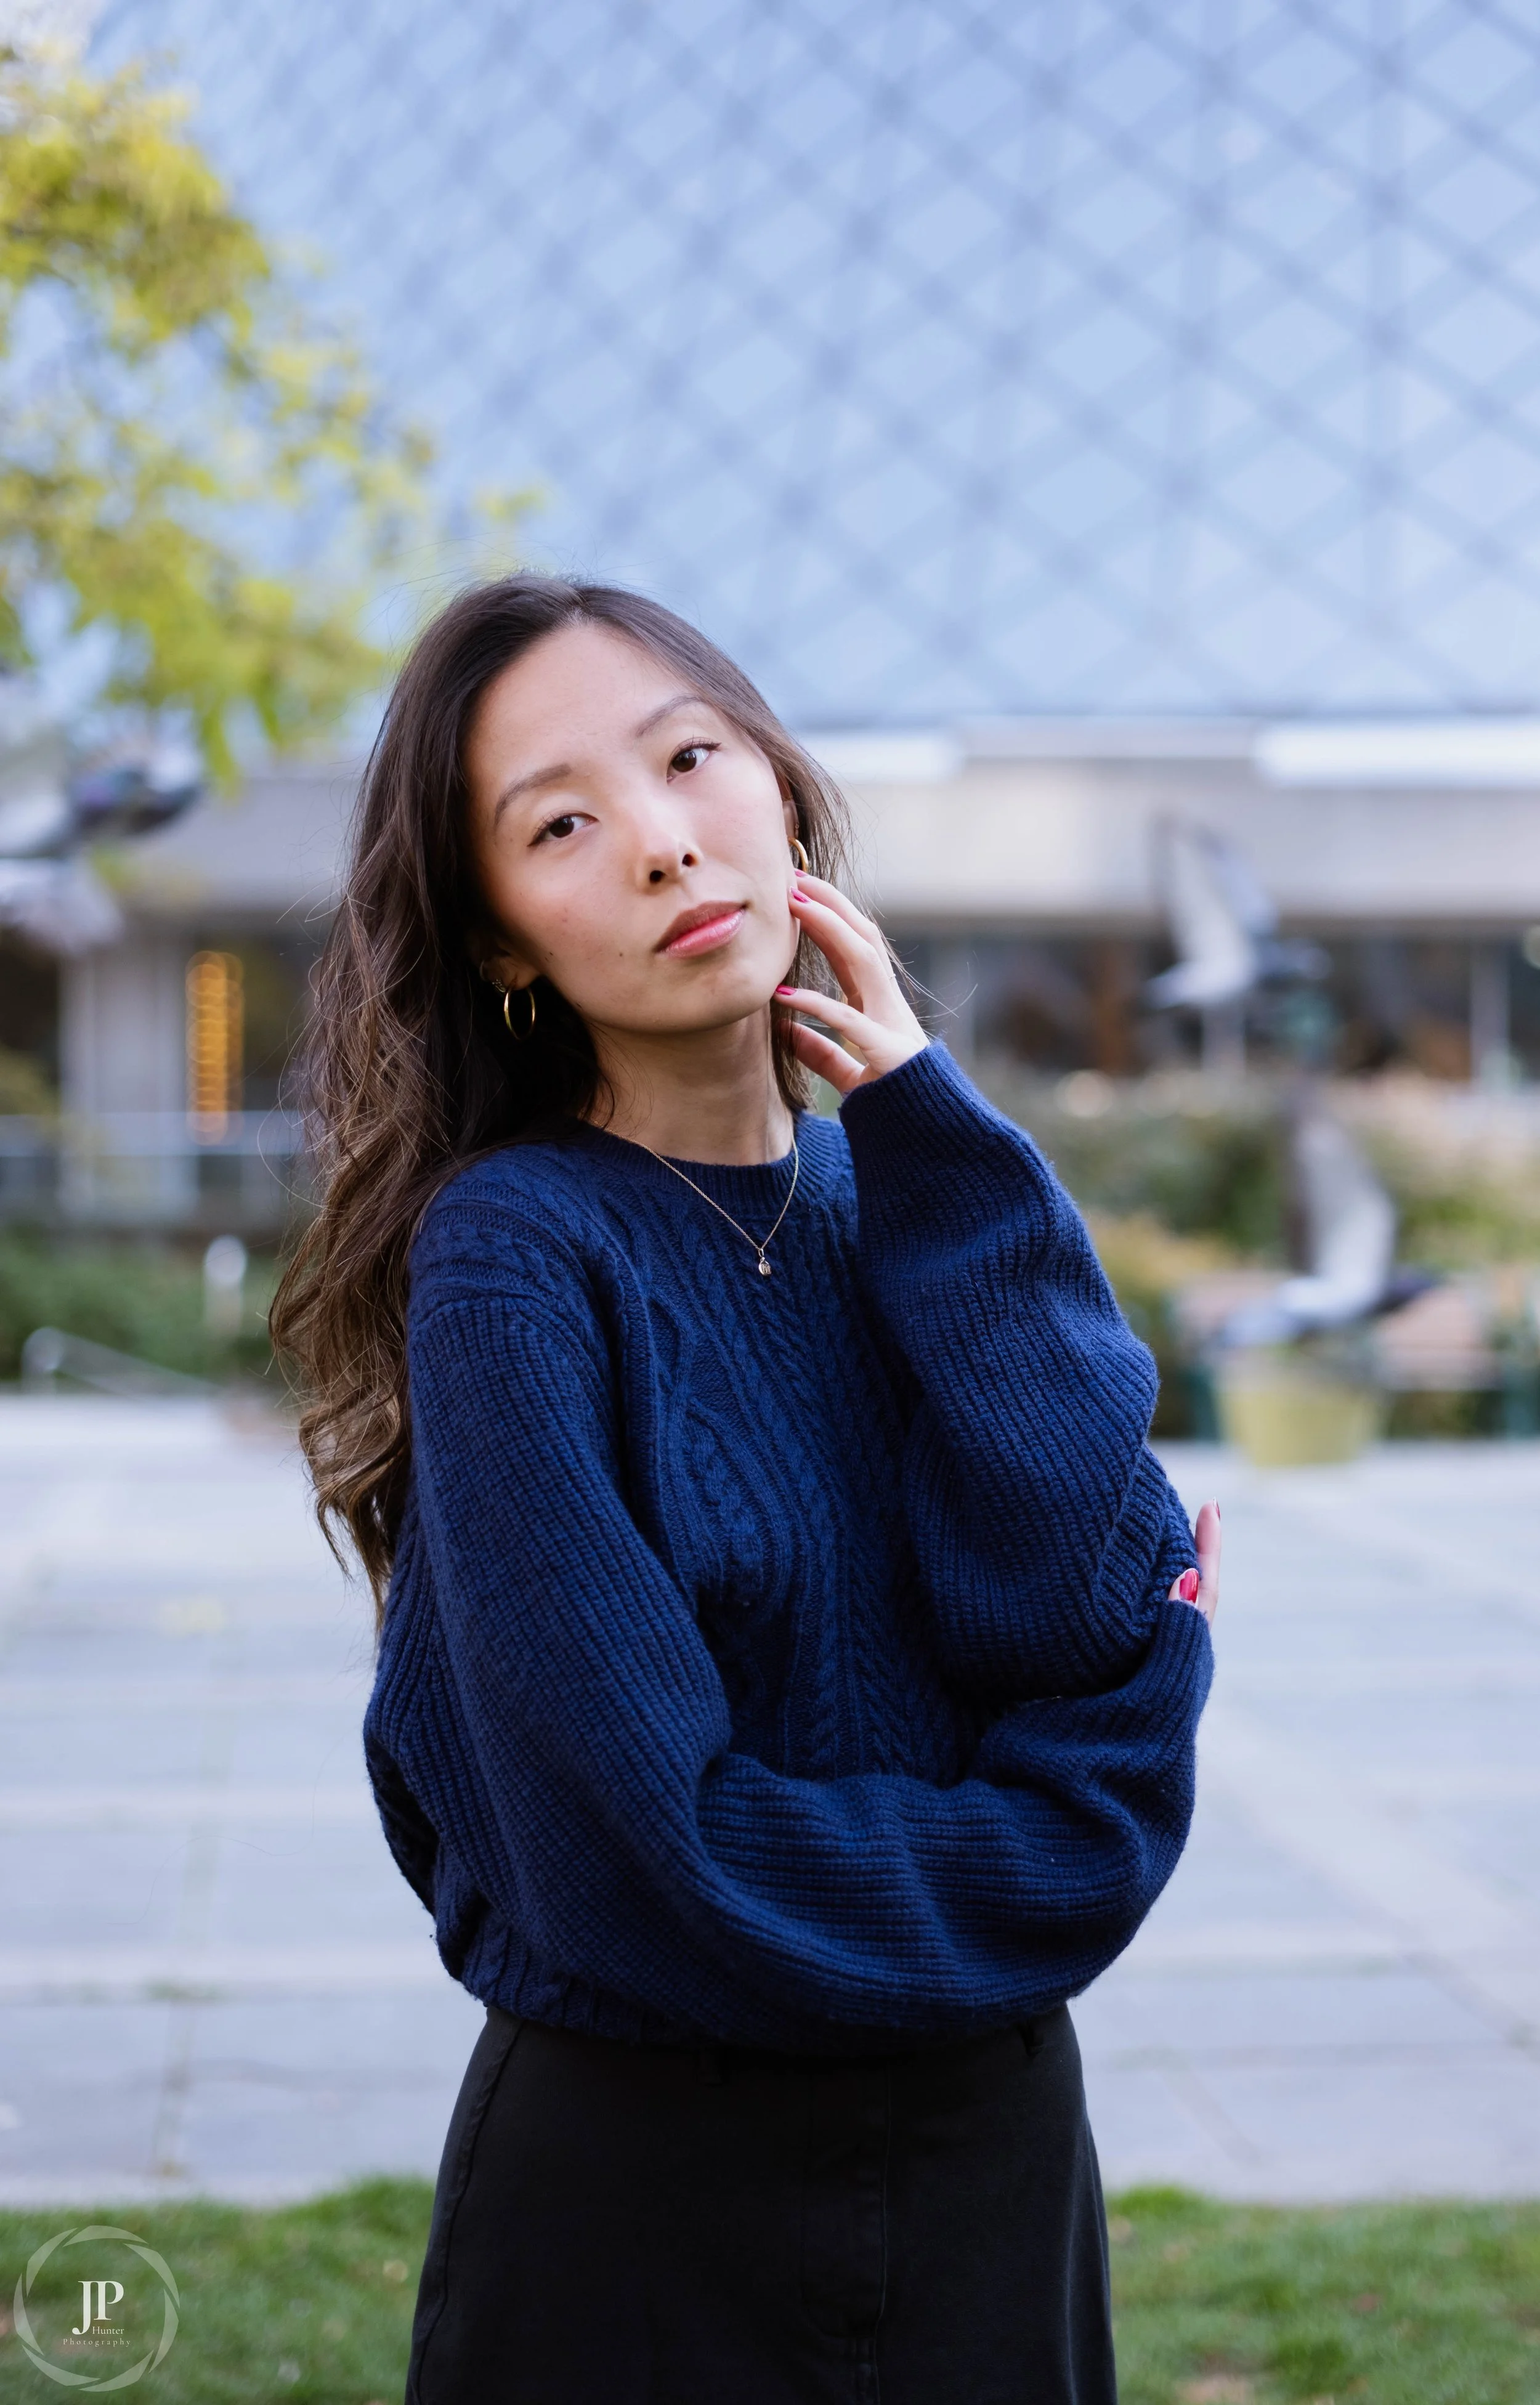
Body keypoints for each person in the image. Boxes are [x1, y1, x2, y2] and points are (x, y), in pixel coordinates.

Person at [272, 575, 1220, 2405]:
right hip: (649, 2195)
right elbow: (645, 1855)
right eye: (559, 823)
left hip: (990, 2170)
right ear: (500, 945)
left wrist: (937, 1134)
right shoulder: (517, 1258)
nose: (656, 842)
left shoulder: (928, 1203)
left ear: (776, 785)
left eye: (688, 758)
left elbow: (1094, 1628)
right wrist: (1050, 1864)